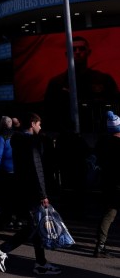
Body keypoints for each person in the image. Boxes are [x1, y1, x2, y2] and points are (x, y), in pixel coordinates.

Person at [0, 113, 62, 276]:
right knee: (33, 226)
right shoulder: (31, 142)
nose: (40, 127)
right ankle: (2, 249)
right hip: (33, 191)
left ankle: (41, 263)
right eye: (39, 124)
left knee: (36, 226)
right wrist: (43, 194)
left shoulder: (17, 140)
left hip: (22, 188)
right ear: (33, 123)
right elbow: (37, 169)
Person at [44, 36, 119, 129]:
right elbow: (49, 111)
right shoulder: (56, 83)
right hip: (67, 129)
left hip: (98, 128)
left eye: (82, 49)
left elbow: (116, 104)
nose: (78, 52)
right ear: (67, 54)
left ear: (89, 52)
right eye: (73, 49)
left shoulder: (104, 79)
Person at [93, 111, 120, 258]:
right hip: (118, 185)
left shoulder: (102, 143)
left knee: (108, 215)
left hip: (107, 184)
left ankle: (100, 245)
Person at [0, 116, 16, 228]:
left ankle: (7, 219)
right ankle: (17, 219)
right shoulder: (16, 135)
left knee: (5, 197)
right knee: (15, 196)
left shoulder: (1, 136)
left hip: (5, 170)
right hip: (16, 169)